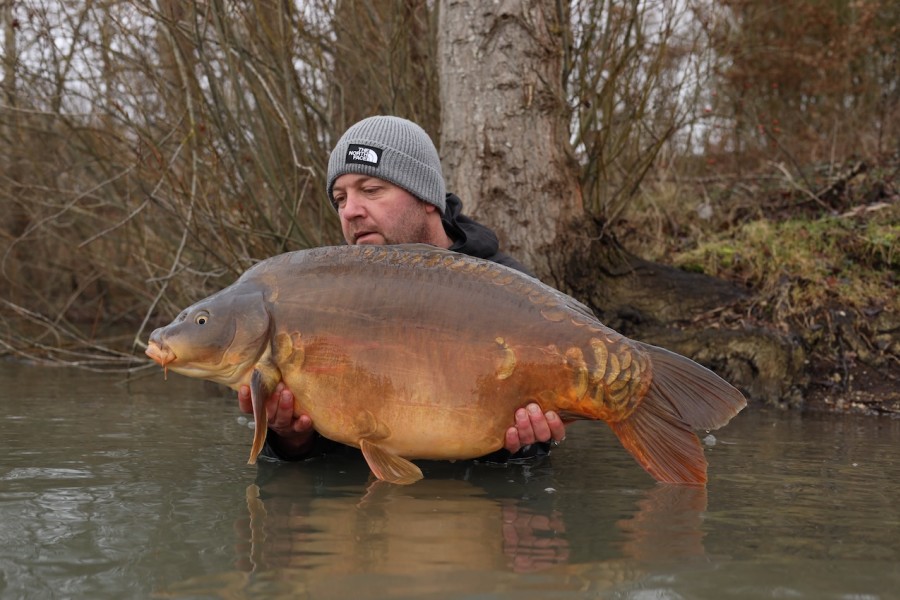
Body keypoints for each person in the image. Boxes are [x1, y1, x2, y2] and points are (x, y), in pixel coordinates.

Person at [237, 115, 566, 463]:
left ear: (427, 197)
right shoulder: (323, 299)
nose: (350, 211)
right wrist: (290, 438)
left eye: (370, 190)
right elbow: (327, 456)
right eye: (339, 198)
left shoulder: (514, 293)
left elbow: (538, 448)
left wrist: (527, 445)